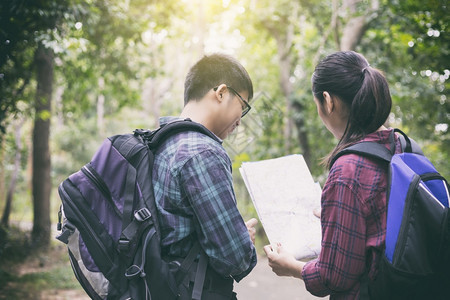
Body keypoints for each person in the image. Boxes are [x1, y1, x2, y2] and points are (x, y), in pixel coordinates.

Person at [264, 51, 398, 299]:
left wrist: (291, 266)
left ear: (328, 100)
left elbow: (334, 277)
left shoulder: (348, 170)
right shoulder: (400, 145)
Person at [153, 53, 258, 299]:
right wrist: (243, 241)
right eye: (242, 107)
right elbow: (235, 259)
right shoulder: (203, 152)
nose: (240, 122)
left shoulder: (161, 142)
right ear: (221, 92)